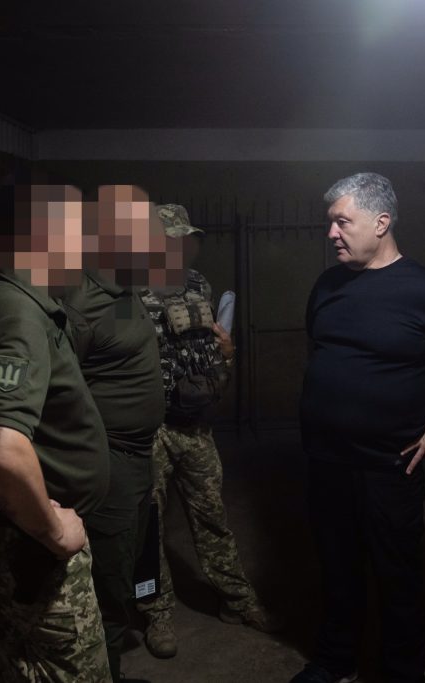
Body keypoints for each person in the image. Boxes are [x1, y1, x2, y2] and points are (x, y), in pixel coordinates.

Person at [293, 173, 425, 683]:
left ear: (381, 222)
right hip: (327, 462)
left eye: (342, 221)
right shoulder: (327, 285)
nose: (331, 233)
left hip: (389, 468)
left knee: (398, 577)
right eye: (330, 223)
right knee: (337, 568)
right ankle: (335, 662)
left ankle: (403, 673)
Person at [0, 184, 112, 683]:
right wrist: (54, 531)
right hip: (30, 543)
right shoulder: (16, 313)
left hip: (20, 533)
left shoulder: (19, 299)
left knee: (23, 664)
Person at [137, 204, 283, 660]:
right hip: (148, 430)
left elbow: (209, 346)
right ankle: (157, 613)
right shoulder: (127, 291)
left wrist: (226, 357)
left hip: (195, 425)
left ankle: (237, 600)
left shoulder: (198, 284)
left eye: (186, 240)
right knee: (148, 527)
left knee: (212, 518)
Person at [60, 185, 175, 683]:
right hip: (107, 464)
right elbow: (57, 393)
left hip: (136, 458)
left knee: (128, 574)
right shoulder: (80, 301)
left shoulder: (124, 290)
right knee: (106, 592)